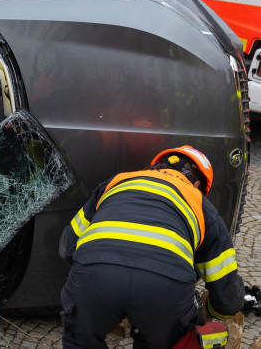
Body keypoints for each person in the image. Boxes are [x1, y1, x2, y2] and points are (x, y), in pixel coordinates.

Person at [59, 146, 244, 348]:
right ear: (198, 184)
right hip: (164, 287)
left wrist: (93, 278)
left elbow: (68, 246)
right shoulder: (200, 203)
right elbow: (227, 297)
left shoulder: (116, 182)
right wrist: (210, 311)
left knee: (80, 341)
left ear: (155, 166)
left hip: (94, 274)